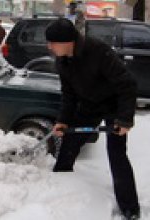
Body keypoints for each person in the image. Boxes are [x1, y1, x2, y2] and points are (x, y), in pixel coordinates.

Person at [45, 18, 140, 220]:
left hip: (114, 105)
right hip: (90, 105)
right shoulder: (62, 61)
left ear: (67, 41)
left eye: (52, 43)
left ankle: (130, 208)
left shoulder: (98, 51)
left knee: (116, 154)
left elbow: (127, 84)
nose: (49, 47)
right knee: (68, 145)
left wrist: (124, 120)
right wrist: (63, 120)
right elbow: (68, 94)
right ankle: (60, 185)